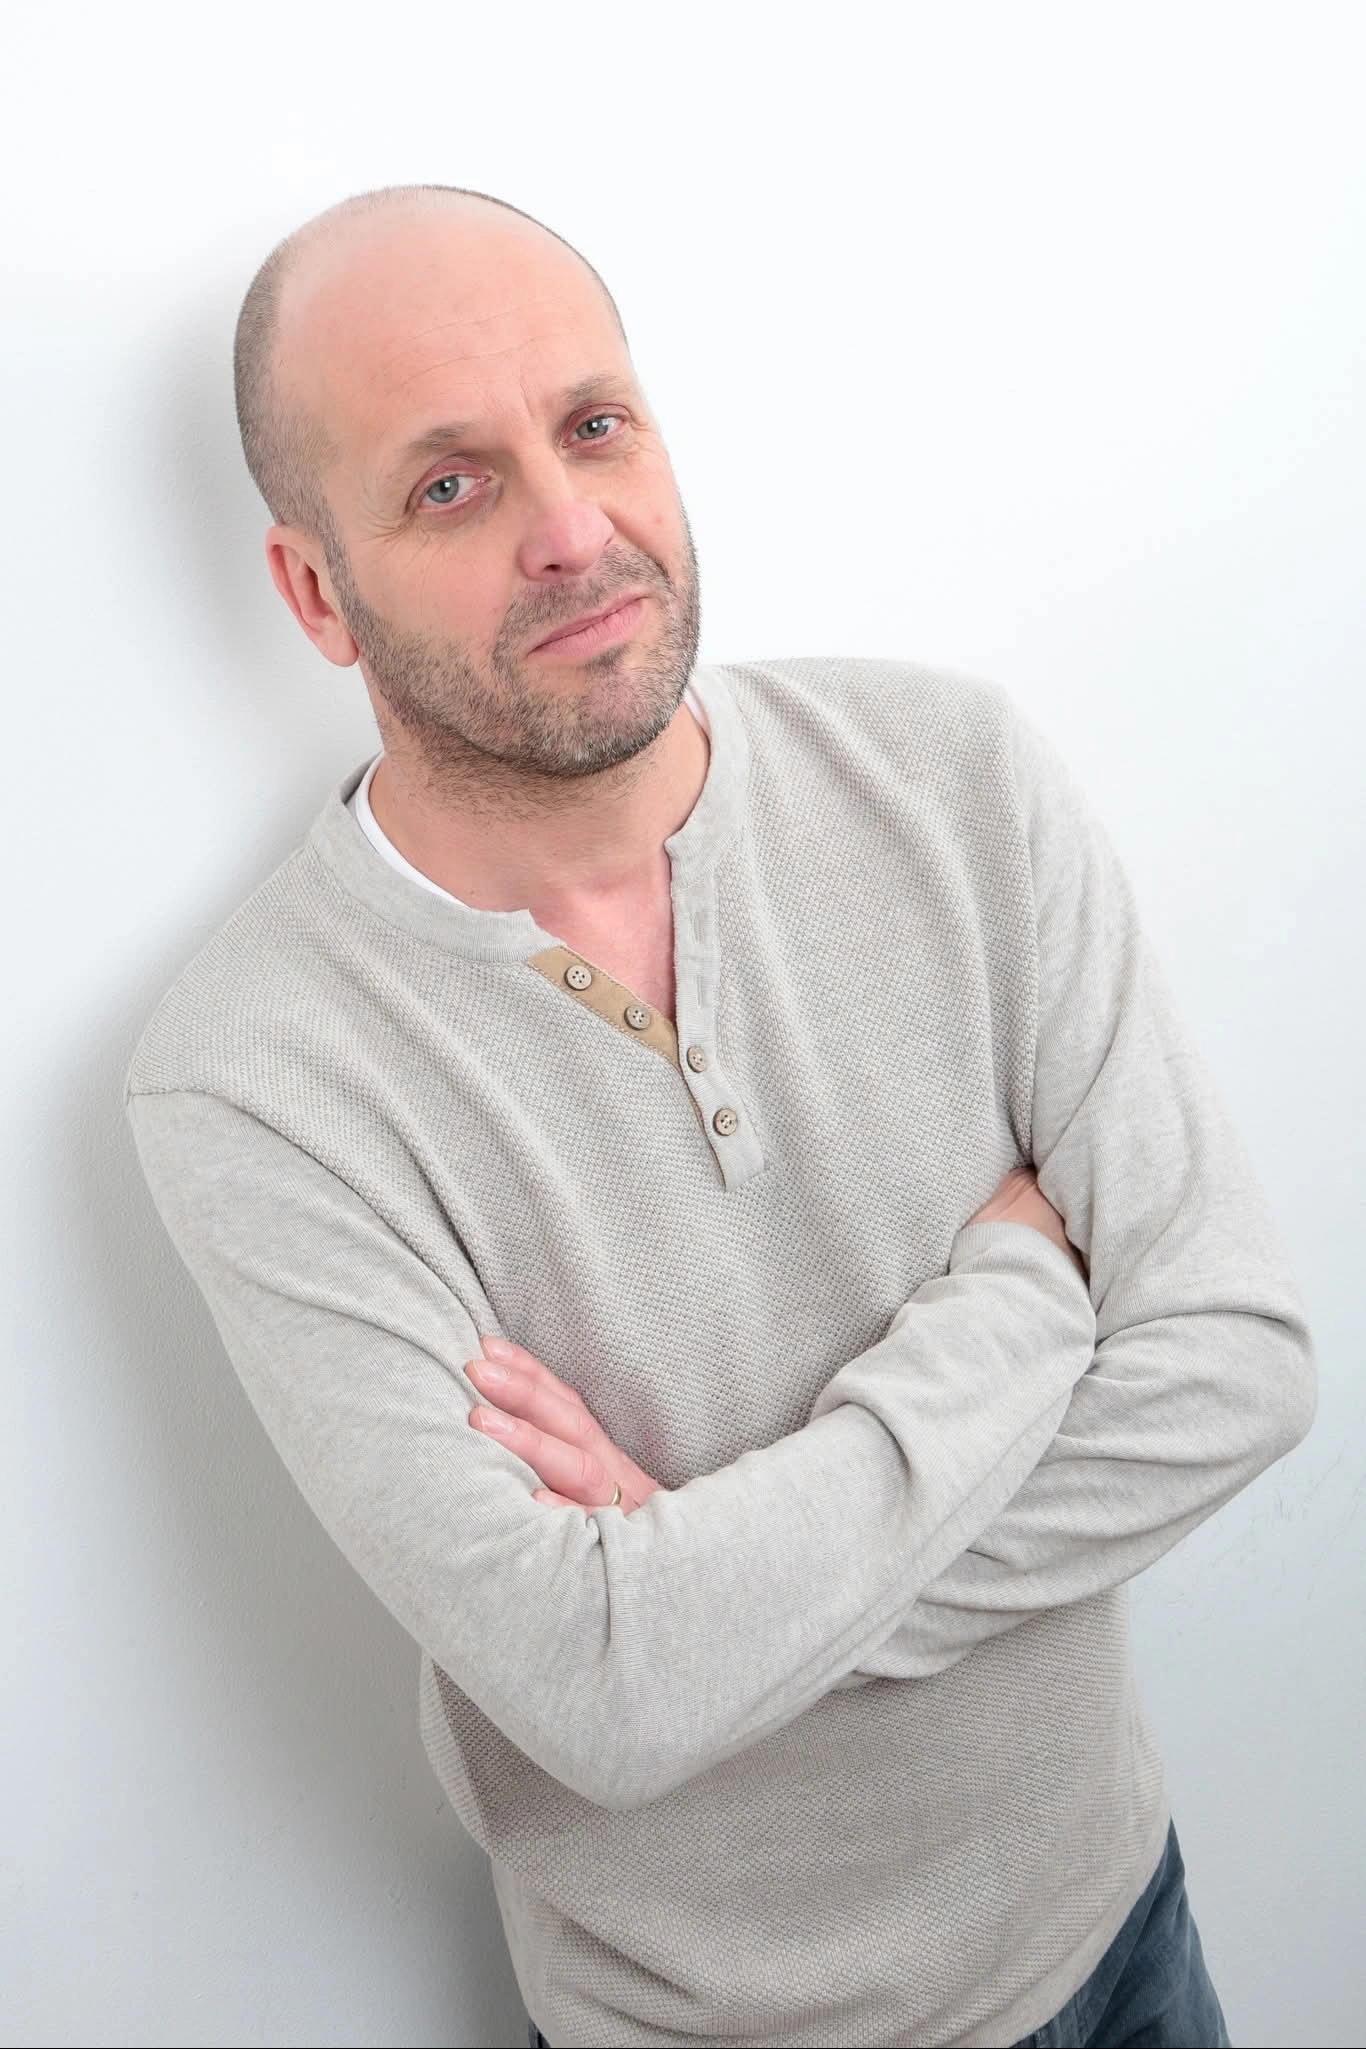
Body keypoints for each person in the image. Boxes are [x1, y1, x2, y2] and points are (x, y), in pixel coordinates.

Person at [123, 183, 1315, 2048]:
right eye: (450, 484)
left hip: (1118, 1937)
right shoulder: (258, 1073)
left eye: (594, 425)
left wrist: (705, 1611)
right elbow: (600, 1697)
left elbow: (1236, 1364)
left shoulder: (955, 781)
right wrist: (1017, 1303)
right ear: (315, 592)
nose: (570, 529)